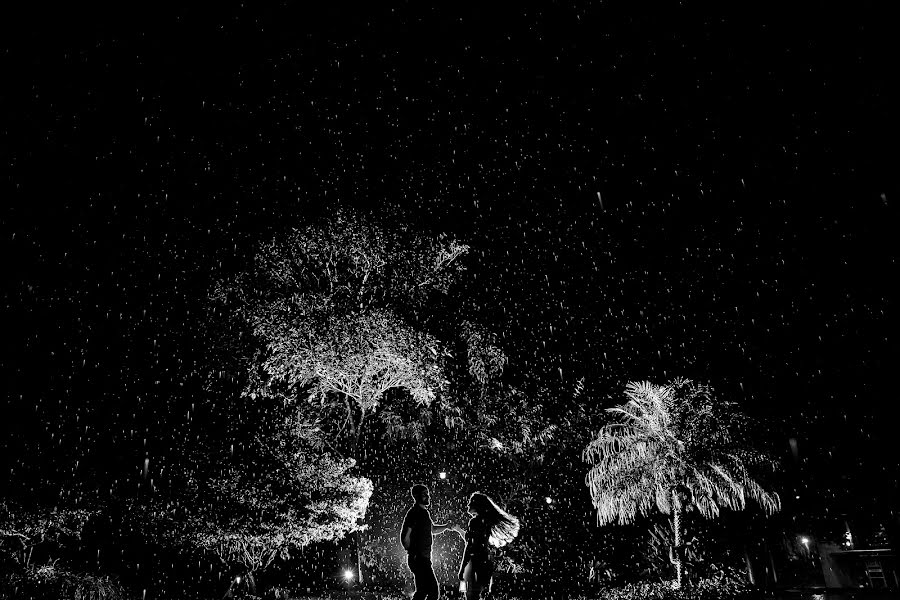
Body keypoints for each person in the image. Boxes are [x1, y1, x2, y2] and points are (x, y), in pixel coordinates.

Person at [452, 492, 520, 600]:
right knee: (481, 594)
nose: (468, 505)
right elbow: (474, 540)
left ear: (476, 506)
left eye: (470, 503)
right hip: (485, 561)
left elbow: (470, 545)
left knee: (471, 596)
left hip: (475, 562)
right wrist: (459, 530)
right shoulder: (485, 522)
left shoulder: (474, 522)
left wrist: (462, 568)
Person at [400, 484, 455, 600]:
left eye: (427, 494)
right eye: (424, 494)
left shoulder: (425, 513)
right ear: (416, 496)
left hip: (423, 557)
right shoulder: (414, 513)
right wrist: (412, 552)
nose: (427, 496)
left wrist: (446, 526)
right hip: (419, 558)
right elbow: (405, 535)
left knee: (422, 591)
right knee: (433, 591)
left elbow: (433, 529)